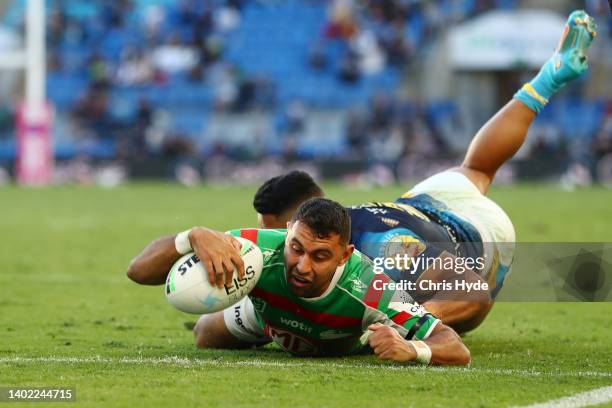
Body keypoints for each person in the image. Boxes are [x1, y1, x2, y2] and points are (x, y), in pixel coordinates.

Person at [252, 11, 598, 333]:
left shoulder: (387, 249)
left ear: (293, 226)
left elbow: (472, 291)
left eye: (277, 238)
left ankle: (552, 73)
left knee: (447, 308)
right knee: (475, 168)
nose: (275, 254)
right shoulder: (337, 227)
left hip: (476, 231)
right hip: (422, 200)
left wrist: (409, 325)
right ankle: (553, 73)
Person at [128, 198, 470, 365]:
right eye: (296, 248)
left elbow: (455, 347)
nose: (302, 266)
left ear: (345, 254)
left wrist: (414, 349)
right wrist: (193, 236)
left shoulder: (372, 288)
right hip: (268, 319)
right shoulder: (255, 247)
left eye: (320, 256)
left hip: (336, 341)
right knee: (205, 335)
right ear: (287, 231)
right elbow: (138, 272)